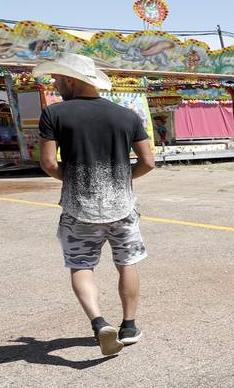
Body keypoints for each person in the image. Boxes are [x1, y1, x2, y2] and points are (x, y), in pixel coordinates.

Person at [35, 53, 157, 356]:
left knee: (81, 266)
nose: (55, 83)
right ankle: (129, 326)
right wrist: (123, 180)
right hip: (123, 207)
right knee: (126, 263)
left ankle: (99, 322)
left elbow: (49, 163)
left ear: (72, 81)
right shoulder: (127, 115)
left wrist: (73, 179)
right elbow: (148, 162)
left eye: (58, 78)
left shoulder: (55, 113)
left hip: (79, 209)